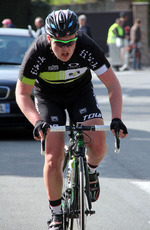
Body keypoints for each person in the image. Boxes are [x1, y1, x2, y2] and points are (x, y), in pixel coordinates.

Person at [15, 9, 128, 230]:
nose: (66, 48)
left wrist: (116, 118)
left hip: (80, 94)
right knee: (53, 157)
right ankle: (56, 213)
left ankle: (91, 170)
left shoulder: (85, 45)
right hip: (49, 99)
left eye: (71, 42)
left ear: (77, 36)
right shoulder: (38, 51)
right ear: (49, 39)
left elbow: (113, 84)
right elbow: (21, 94)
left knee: (98, 144)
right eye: (60, 43)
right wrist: (37, 121)